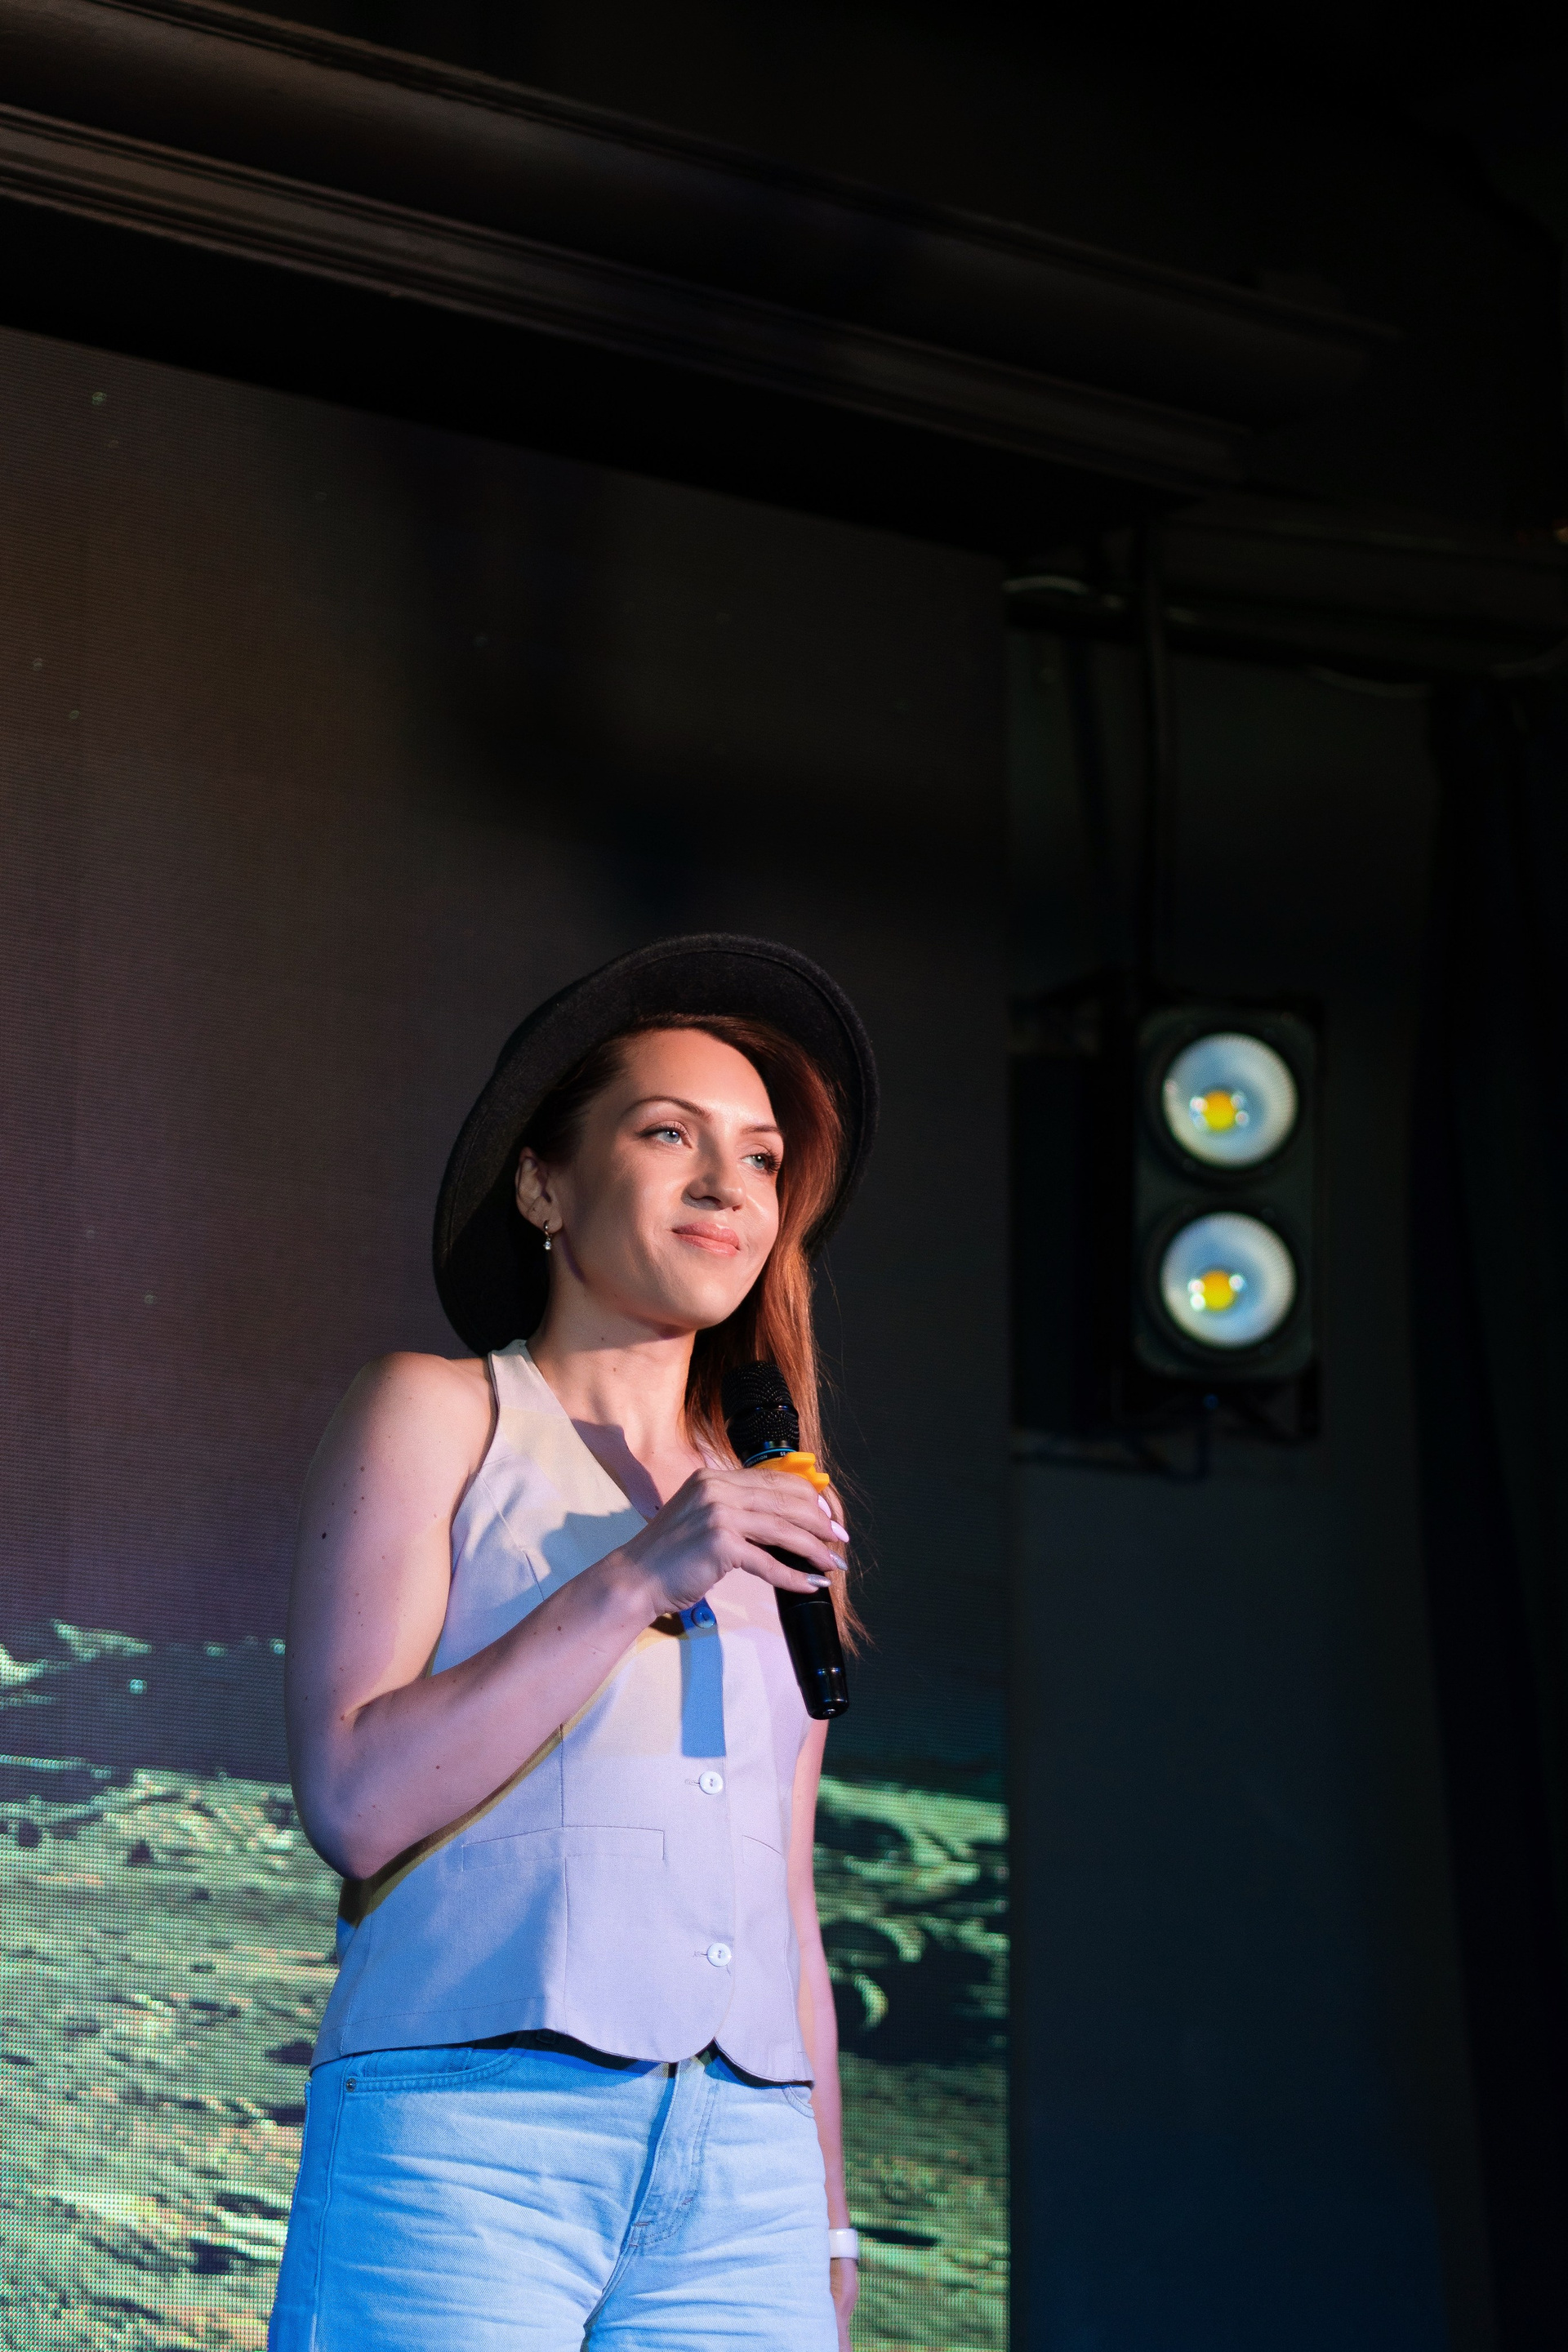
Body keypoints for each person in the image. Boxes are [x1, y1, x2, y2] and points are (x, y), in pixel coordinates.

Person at [269, 935, 879, 2351]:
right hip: (470, 2140)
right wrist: (635, 1576)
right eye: (670, 1134)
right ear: (543, 1184)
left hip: (749, 2172)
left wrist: (825, 2214)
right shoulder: (438, 1411)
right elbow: (354, 1801)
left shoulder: (782, 1501)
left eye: (761, 1158)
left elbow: (785, 1899)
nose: (729, 1185)